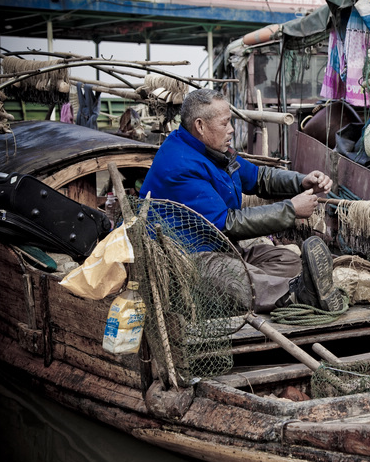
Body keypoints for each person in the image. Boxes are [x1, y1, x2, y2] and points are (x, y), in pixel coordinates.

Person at [139, 88, 342, 312]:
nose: (231, 130)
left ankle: (293, 288)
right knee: (235, 278)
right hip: (189, 258)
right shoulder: (180, 164)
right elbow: (227, 224)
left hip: (221, 248)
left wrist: (301, 181)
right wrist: (291, 211)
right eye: (225, 123)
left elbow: (258, 177)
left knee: (289, 261)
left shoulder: (215, 151)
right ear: (200, 126)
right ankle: (294, 295)